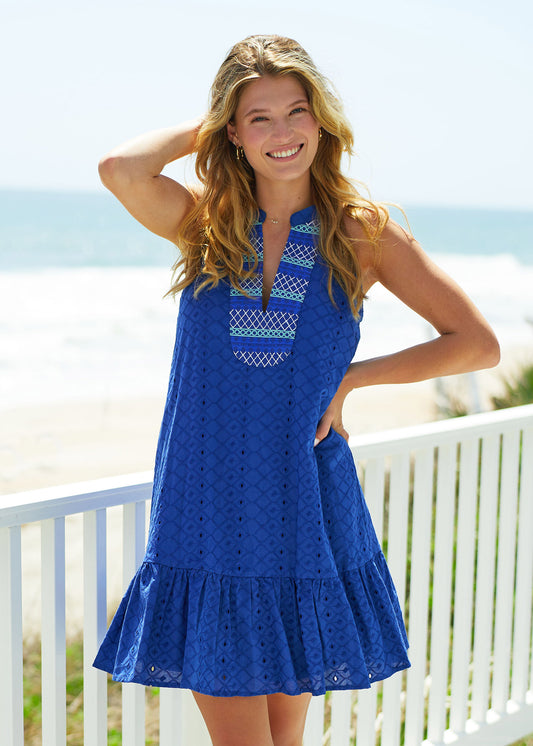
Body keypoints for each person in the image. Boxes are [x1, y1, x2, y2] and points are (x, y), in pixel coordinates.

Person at [92, 34, 500, 746]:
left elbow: (474, 341)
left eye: (296, 111)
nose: (283, 133)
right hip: (208, 507)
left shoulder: (360, 233)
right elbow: (120, 169)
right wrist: (212, 122)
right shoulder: (205, 224)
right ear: (232, 132)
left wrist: (353, 378)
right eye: (259, 119)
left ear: (321, 121)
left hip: (304, 499)